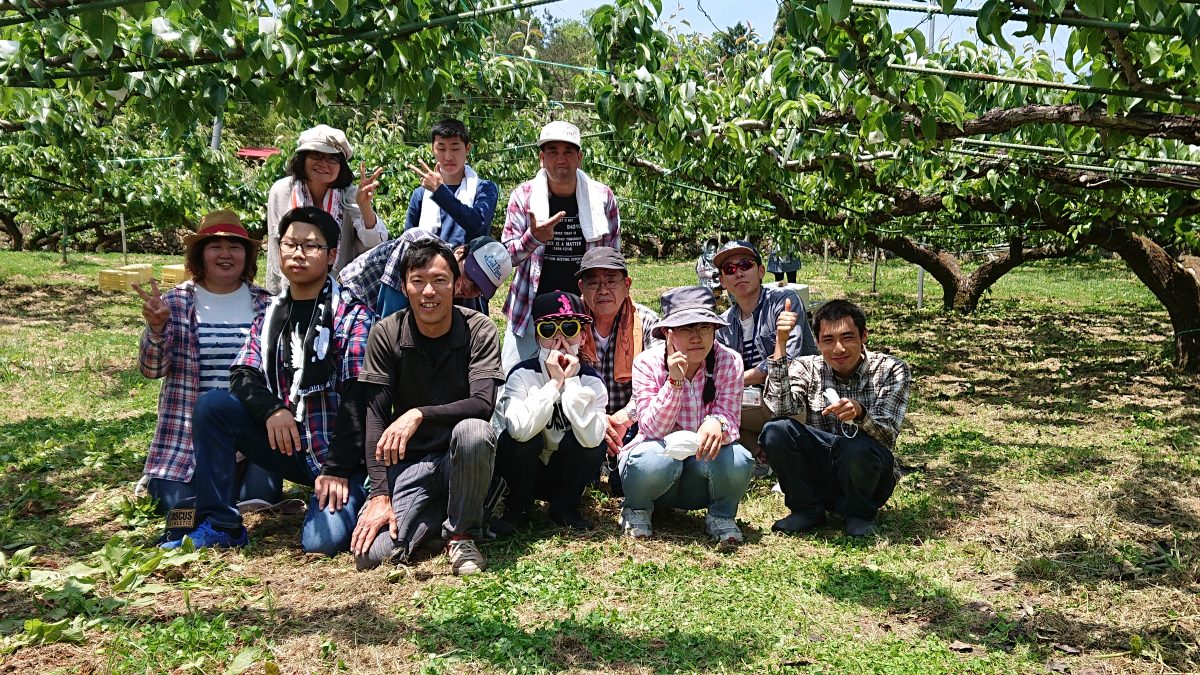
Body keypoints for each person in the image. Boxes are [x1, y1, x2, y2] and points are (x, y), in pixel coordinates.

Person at [162, 207, 372, 555]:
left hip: (339, 454)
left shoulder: (352, 315)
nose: (298, 254)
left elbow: (359, 398)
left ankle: (354, 493)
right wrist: (272, 410)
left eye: (311, 246)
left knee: (322, 542)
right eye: (290, 244)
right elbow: (243, 373)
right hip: (290, 442)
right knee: (213, 406)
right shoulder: (272, 313)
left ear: (332, 255)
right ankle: (222, 524)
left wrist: (336, 468)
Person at [349, 239, 503, 575]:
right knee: (372, 555)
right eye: (418, 281)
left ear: (455, 283)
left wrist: (419, 413)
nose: (428, 291)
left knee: (475, 432)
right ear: (404, 286)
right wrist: (380, 494)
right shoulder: (386, 333)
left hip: (459, 455)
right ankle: (443, 512)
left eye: (439, 280)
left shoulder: (479, 329)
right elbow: (375, 416)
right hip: (412, 462)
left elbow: (482, 404)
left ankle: (461, 533)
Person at [135, 210, 281, 516]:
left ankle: (224, 497)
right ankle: (206, 494)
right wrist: (157, 329)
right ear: (200, 255)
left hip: (249, 433)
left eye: (235, 247)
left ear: (247, 255)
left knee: (261, 499)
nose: (225, 254)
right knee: (174, 506)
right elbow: (152, 370)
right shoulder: (175, 302)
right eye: (215, 246)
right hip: (187, 435)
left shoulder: (266, 305)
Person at [761, 299, 912, 537]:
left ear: (864, 336)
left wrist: (861, 413)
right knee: (776, 430)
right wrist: (781, 342)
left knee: (857, 447)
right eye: (828, 340)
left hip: (870, 474)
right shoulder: (806, 366)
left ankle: (859, 514)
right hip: (823, 471)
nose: (838, 349)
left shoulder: (890, 369)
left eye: (848, 337)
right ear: (818, 343)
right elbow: (781, 409)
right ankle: (806, 510)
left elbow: (888, 432)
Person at [618, 287, 754, 547]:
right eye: (685, 328)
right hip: (656, 470)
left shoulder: (729, 361)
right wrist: (675, 382)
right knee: (653, 460)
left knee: (738, 459)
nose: (696, 337)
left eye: (704, 328)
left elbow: (730, 419)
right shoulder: (647, 362)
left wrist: (718, 422)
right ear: (668, 334)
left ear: (714, 330)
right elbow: (652, 428)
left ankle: (721, 515)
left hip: (699, 473)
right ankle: (637, 509)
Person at [500, 120, 620, 372]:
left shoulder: (602, 198)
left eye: (568, 152)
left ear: (580, 158)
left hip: (583, 312)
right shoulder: (523, 197)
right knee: (515, 380)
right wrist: (533, 238)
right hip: (530, 310)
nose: (560, 159)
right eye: (552, 151)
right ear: (542, 158)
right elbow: (506, 256)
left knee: (582, 384)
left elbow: (612, 258)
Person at [491, 291, 608, 535]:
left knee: (593, 441)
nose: (560, 339)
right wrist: (554, 385)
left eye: (569, 328)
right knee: (517, 440)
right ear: (536, 337)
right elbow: (518, 431)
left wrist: (572, 382)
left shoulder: (592, 382)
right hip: (527, 468)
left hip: (565, 470)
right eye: (547, 330)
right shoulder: (521, 375)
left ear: (583, 336)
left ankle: (566, 507)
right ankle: (518, 507)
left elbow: (592, 439)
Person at [713, 240, 817, 464]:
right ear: (722, 281)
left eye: (745, 265)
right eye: (730, 270)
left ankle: (776, 447)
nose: (738, 273)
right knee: (707, 402)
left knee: (783, 397)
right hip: (753, 400)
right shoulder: (723, 324)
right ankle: (761, 450)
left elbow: (790, 359)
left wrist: (736, 380)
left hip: (792, 398)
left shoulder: (784, 303)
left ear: (761, 271)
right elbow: (719, 372)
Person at [573, 247, 659, 495]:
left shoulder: (648, 323)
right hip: (584, 420)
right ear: (581, 287)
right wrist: (596, 421)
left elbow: (660, 381)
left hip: (634, 421)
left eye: (611, 281)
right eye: (593, 283)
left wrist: (626, 416)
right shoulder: (569, 323)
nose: (603, 290)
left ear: (627, 284)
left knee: (628, 484)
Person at [265, 124, 388, 293]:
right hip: (291, 287)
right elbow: (275, 245)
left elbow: (376, 244)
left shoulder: (350, 194)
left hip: (339, 290)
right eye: (316, 155)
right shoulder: (282, 191)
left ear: (341, 165)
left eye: (332, 158)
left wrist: (364, 206)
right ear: (302, 159)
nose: (323, 164)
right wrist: (277, 295)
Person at [339, 229, 511, 319]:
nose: (467, 287)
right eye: (471, 276)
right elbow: (389, 319)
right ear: (460, 253)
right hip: (354, 297)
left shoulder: (468, 297)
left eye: (477, 288)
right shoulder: (416, 245)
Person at [403, 118, 500, 247]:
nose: (448, 157)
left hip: (466, 266)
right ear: (433, 149)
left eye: (455, 149)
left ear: (467, 148)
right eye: (441, 149)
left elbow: (476, 223)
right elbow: (408, 240)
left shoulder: (484, 188)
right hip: (428, 266)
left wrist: (440, 192)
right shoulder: (420, 194)